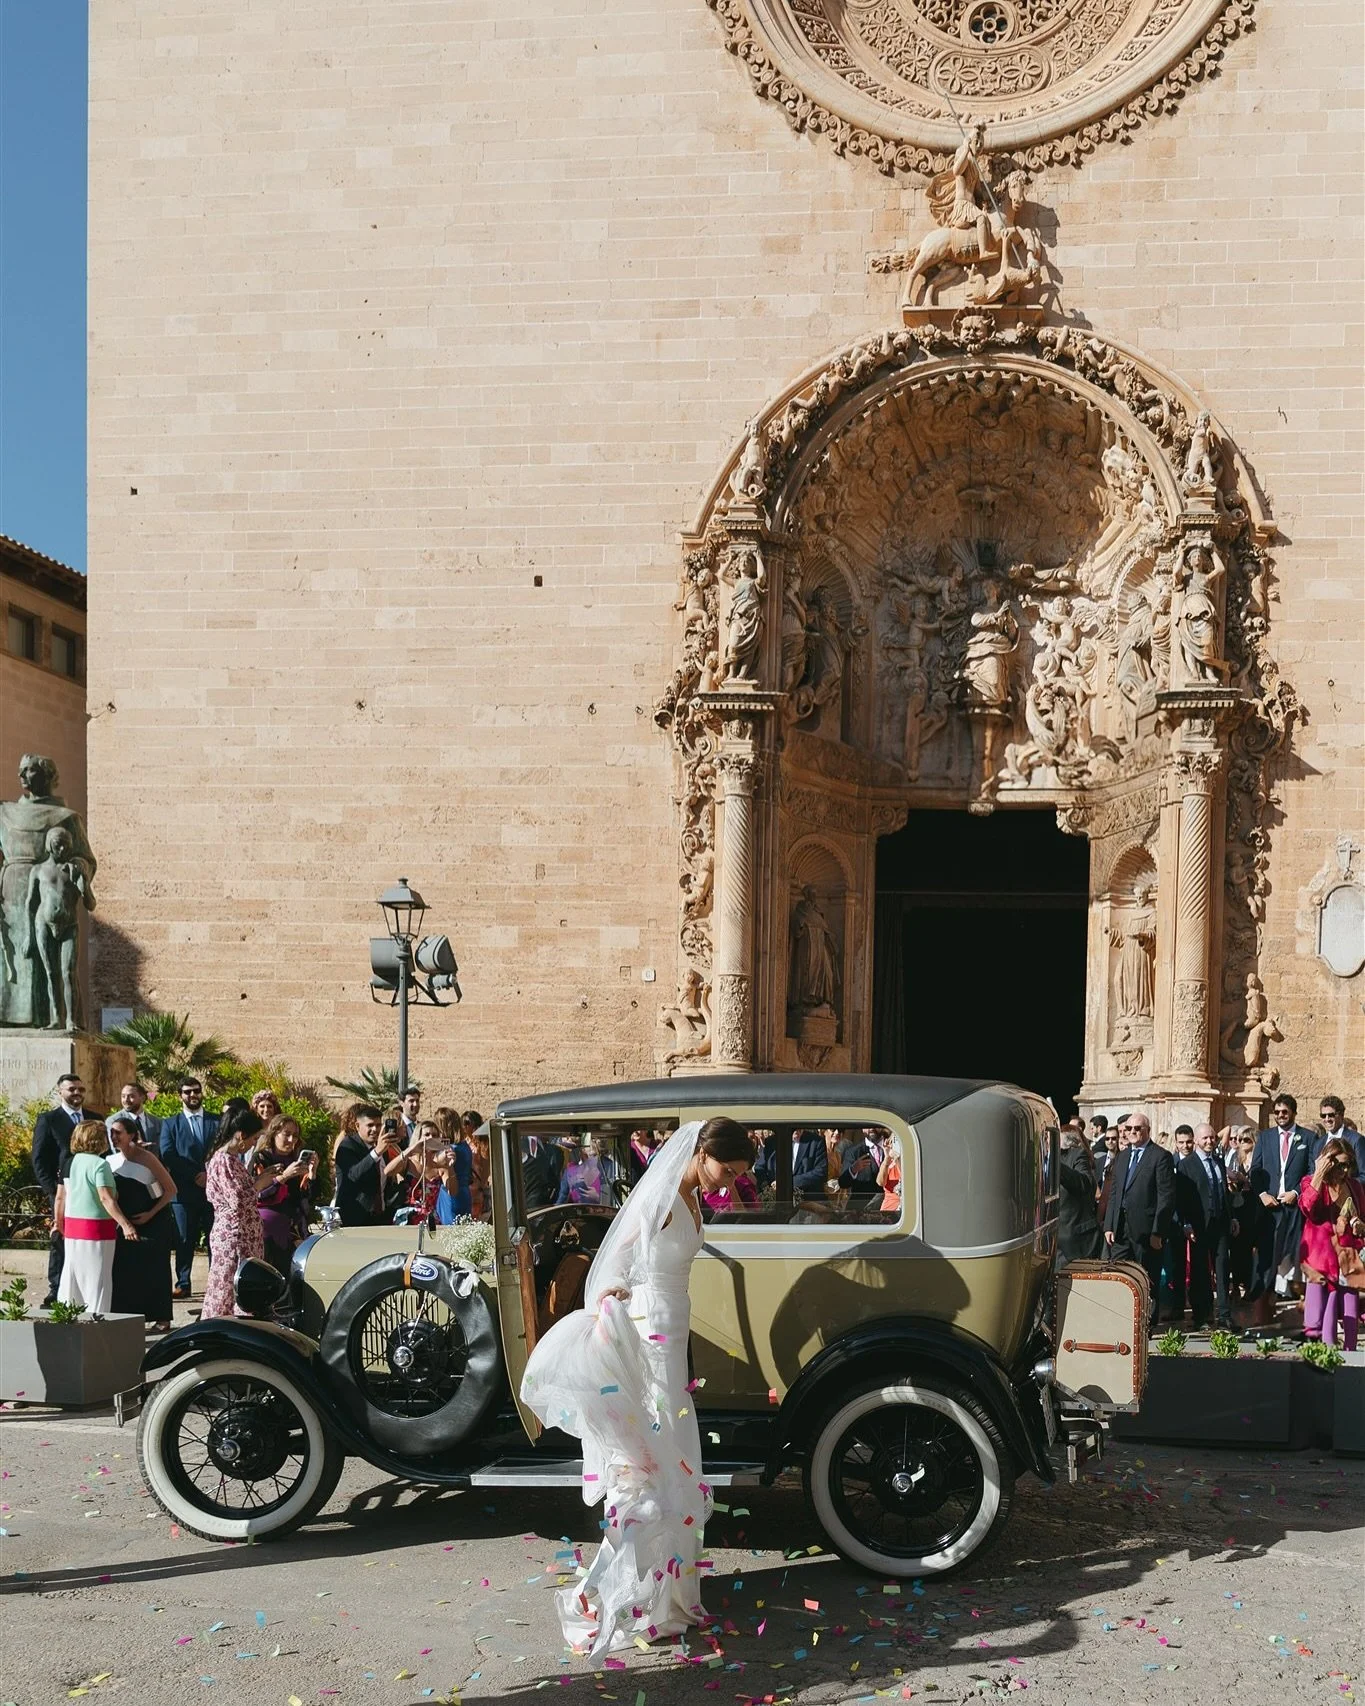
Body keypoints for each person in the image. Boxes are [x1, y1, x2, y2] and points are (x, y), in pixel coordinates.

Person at [520, 1118, 756, 1657]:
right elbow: (612, 1266)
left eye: (738, 1175)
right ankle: (606, 1598)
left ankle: (667, 1599)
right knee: (649, 1478)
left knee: (676, 1472)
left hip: (673, 1345)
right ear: (700, 1151)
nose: (727, 1184)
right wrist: (614, 1308)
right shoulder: (660, 1199)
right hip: (649, 1345)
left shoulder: (692, 1197)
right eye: (726, 1169)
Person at [54, 1121, 139, 1315]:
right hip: (97, 1230)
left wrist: (59, 1224)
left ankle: (69, 1318)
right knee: (97, 1281)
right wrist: (126, 1224)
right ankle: (96, 1322)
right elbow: (106, 1198)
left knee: (73, 1280)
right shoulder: (101, 1164)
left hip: (72, 1229)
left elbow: (60, 1197)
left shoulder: (69, 1162)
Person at [1247, 1093, 1316, 1319]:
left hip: (1294, 1207)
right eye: (1276, 1112)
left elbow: (1311, 1171)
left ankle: (1300, 1306)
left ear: (1293, 1113)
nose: (1280, 1116)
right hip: (1270, 1208)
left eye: (1284, 1112)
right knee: (1267, 1256)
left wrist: (1296, 1192)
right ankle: (1263, 1307)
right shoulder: (1265, 1137)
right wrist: (1263, 1194)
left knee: (1294, 1254)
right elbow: (1255, 1171)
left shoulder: (1307, 1137)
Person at [1103, 1112, 1174, 1329]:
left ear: (1147, 1131)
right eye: (1129, 1129)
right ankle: (1122, 1319)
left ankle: (1146, 1324)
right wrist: (1109, 1225)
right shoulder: (1122, 1156)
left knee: (1146, 1277)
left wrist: (1157, 1232)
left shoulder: (1160, 1156)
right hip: (1121, 1229)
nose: (1132, 1132)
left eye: (1137, 1129)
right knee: (1119, 1273)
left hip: (1147, 1231)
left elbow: (1165, 1197)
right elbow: (1115, 1193)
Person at [108, 1113, 177, 1331]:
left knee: (156, 1269)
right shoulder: (110, 1160)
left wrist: (150, 1214)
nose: (114, 1137)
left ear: (132, 1135)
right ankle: (129, 1316)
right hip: (125, 1223)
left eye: (119, 1132)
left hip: (154, 1220)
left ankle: (162, 1317)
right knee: (126, 1269)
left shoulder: (147, 1158)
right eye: (111, 1133)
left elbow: (170, 1190)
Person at [1299, 1138, 1365, 1349]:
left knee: (1350, 1313)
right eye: (1338, 1164)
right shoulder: (1310, 1181)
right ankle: (1320, 1364)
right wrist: (1319, 1174)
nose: (1343, 1170)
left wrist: (1358, 1226)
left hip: (1348, 1257)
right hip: (1320, 1260)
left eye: (1347, 1164)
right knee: (1317, 1318)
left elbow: (1361, 1216)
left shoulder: (1354, 1186)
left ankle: (1352, 1362)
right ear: (1328, 1162)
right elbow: (1307, 1207)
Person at [200, 1109, 266, 1319]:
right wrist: (260, 1183)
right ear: (240, 1135)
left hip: (243, 1235)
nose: (254, 1143)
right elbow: (238, 1200)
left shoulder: (232, 1159)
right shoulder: (224, 1161)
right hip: (234, 1237)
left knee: (240, 1286)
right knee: (228, 1289)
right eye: (254, 1138)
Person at [159, 1078, 220, 1299]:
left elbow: (221, 1150)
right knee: (185, 1240)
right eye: (187, 1092)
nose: (192, 1095)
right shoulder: (170, 1124)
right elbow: (168, 1154)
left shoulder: (216, 1121)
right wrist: (194, 1175)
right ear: (180, 1095)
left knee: (216, 1238)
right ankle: (183, 1283)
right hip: (184, 1193)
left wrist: (208, 1174)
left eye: (196, 1091)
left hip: (213, 1191)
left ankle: (216, 1282)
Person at [31, 1072, 87, 1306]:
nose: (76, 1093)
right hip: (62, 1192)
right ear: (60, 1092)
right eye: (71, 1089)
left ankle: (82, 1288)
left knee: (85, 1240)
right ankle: (56, 1289)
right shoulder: (49, 1119)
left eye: (80, 1089)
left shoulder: (94, 1118)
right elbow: (39, 1159)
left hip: (89, 1190)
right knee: (60, 1240)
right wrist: (52, 1191)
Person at [333, 1103, 421, 1226]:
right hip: (354, 1218)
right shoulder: (347, 1146)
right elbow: (352, 1176)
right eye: (370, 1125)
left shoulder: (382, 1146)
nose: (374, 1129)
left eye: (378, 1125)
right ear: (357, 1126)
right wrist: (376, 1152)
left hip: (382, 1216)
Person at [1181, 1123, 1233, 1329]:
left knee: (1222, 1267)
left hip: (1220, 1222)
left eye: (1212, 1138)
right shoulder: (1187, 1165)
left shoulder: (1219, 1162)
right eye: (1205, 1139)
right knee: (1200, 1270)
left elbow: (1224, 1192)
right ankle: (1201, 1315)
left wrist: (1232, 1218)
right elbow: (1182, 1197)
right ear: (1197, 1141)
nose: (1210, 1141)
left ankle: (1224, 1314)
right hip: (1198, 1224)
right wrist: (1186, 1224)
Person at [252, 1114, 316, 1270]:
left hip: (294, 1226)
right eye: (286, 1134)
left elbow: (308, 1198)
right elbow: (258, 1194)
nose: (291, 1140)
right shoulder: (261, 1158)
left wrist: (312, 1174)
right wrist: (284, 1176)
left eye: (295, 1136)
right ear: (274, 1133)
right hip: (268, 1228)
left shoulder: (296, 1159)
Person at [1162, 1126, 1198, 1321]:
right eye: (1181, 1142)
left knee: (1199, 1266)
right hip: (1176, 1222)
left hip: (1197, 1221)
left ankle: (1197, 1305)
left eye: (1189, 1142)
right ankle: (1177, 1307)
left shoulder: (1199, 1162)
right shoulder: (1170, 1163)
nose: (1185, 1146)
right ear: (1176, 1143)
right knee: (1176, 1266)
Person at [1057, 1130, 1102, 1263]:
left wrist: (1055, 1164)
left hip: (1073, 1239)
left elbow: (1085, 1184)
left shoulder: (1076, 1155)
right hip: (1046, 1240)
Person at [433, 1107, 473, 1221]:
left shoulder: (448, 1150)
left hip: (450, 1194)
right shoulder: (464, 1146)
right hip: (464, 1192)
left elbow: (435, 1169)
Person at [105, 1081, 161, 1150]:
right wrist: (134, 1148)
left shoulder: (156, 1122)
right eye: (123, 1096)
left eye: (131, 1096)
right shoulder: (113, 1121)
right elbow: (115, 1148)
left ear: (142, 1098)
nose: (126, 1100)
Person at [1315, 1096, 1365, 1173]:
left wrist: (1343, 1183)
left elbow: (1363, 1175)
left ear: (1341, 1115)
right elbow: (1312, 1172)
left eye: (1331, 1115)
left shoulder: (1356, 1140)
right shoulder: (1319, 1143)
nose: (1327, 1119)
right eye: (1323, 1116)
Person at [522, 1130, 565, 1210]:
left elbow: (552, 1177)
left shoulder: (554, 1150)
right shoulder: (521, 1145)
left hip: (545, 1203)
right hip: (529, 1205)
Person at [876, 1134, 904, 1216]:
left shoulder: (911, 1160)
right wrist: (887, 1158)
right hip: (889, 1208)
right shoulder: (888, 1163)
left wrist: (897, 1159)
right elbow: (880, 1183)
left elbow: (906, 1179)